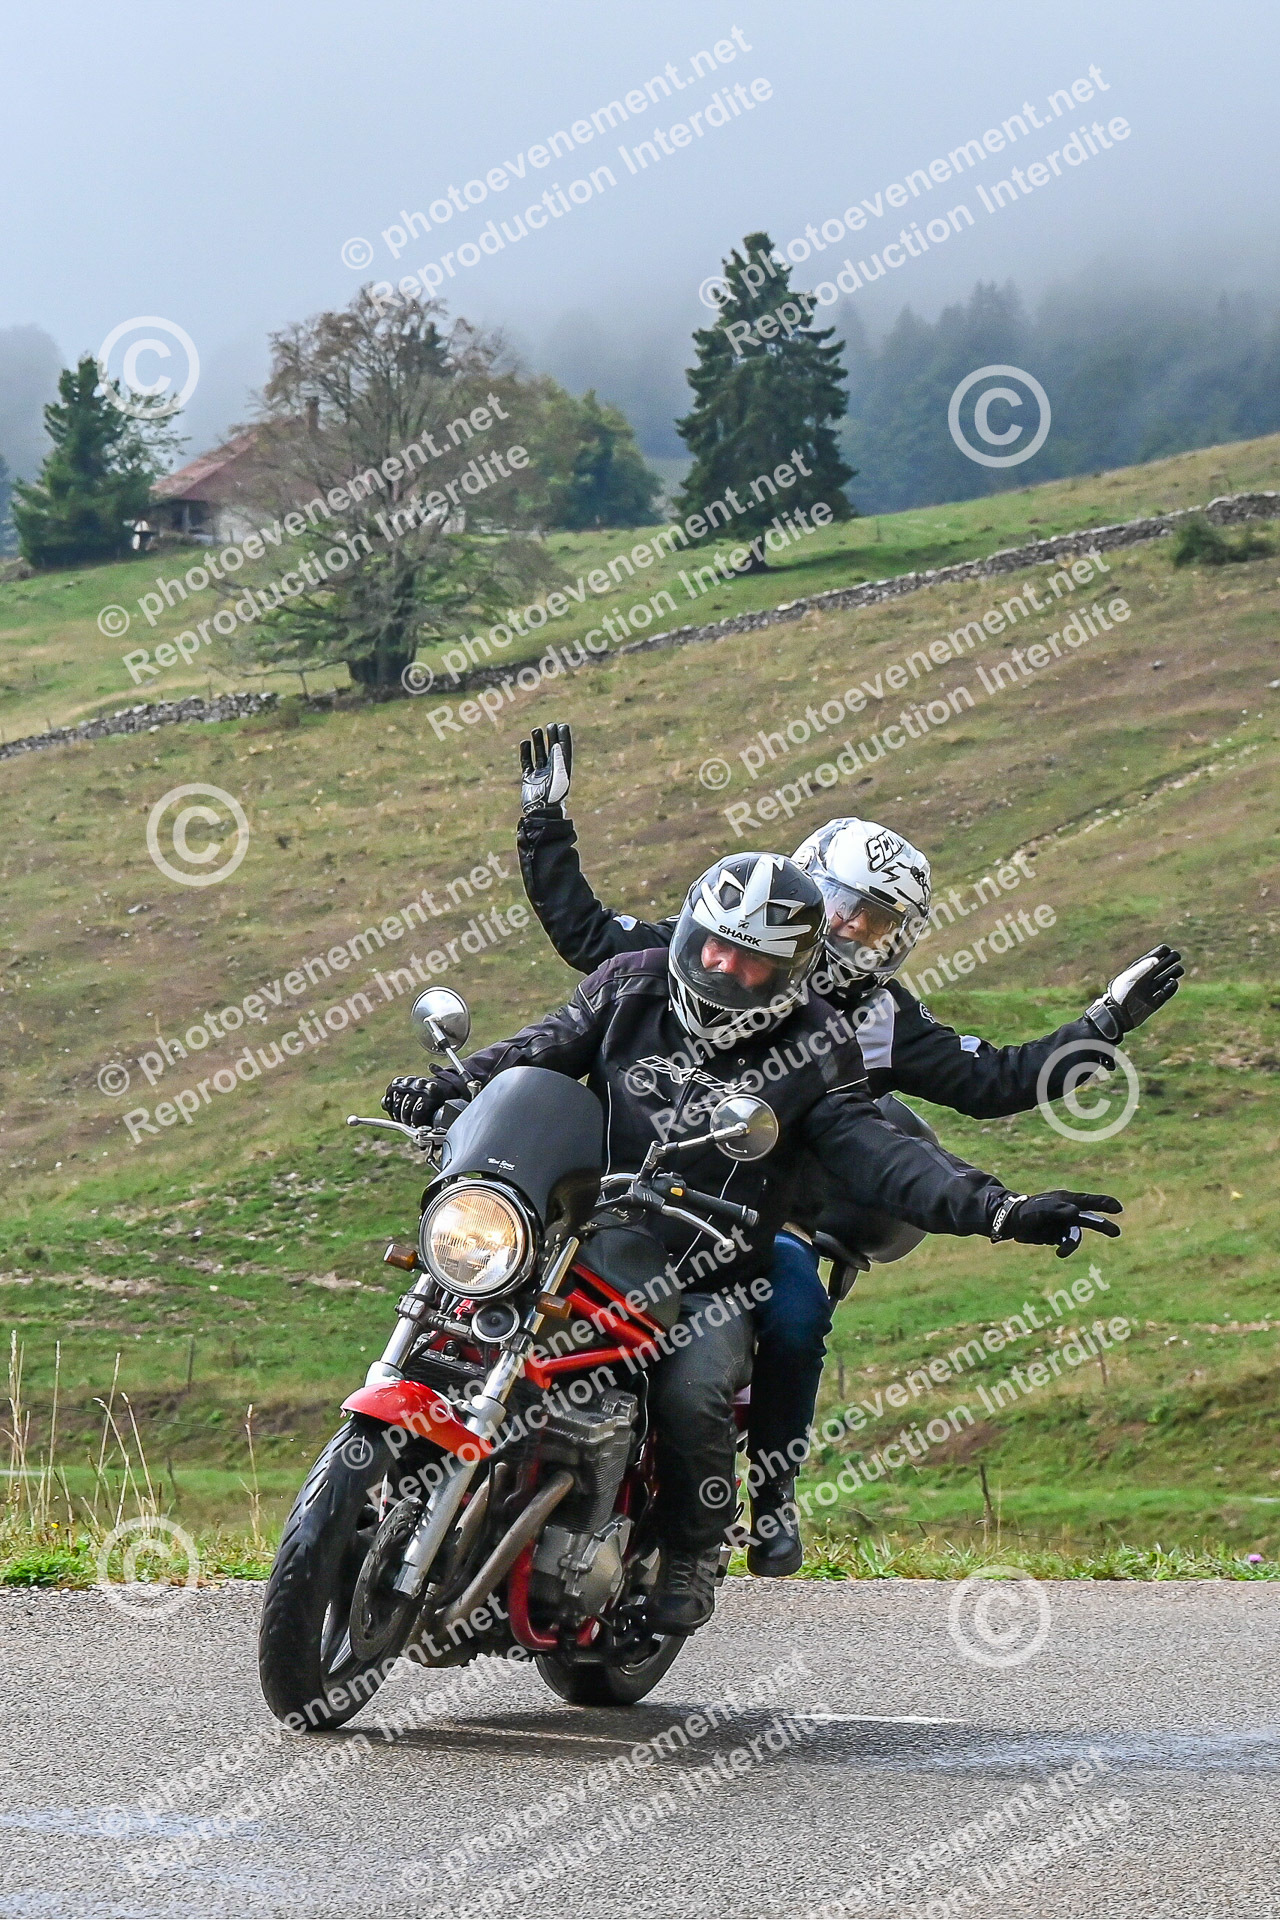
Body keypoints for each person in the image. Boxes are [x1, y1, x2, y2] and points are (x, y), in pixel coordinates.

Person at [385, 847, 1122, 1633]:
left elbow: (884, 1153)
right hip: (584, 1232)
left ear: (793, 970)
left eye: (751, 959)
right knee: (465, 1303)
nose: (722, 965)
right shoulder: (630, 983)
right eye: (713, 943)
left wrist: (1003, 1210)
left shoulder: (817, 1045)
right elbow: (539, 1049)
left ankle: (694, 1550)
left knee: (693, 1390)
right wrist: (453, 1088)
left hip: (711, 1266)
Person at [509, 722, 1183, 1575]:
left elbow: (997, 1080)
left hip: (762, 1215)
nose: (850, 927)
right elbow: (586, 932)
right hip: (618, 1189)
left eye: (874, 920)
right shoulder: (711, 948)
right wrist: (545, 823)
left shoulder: (879, 1018)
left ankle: (770, 1495)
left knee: (796, 1315)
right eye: (838, 902)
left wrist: (1101, 1026)